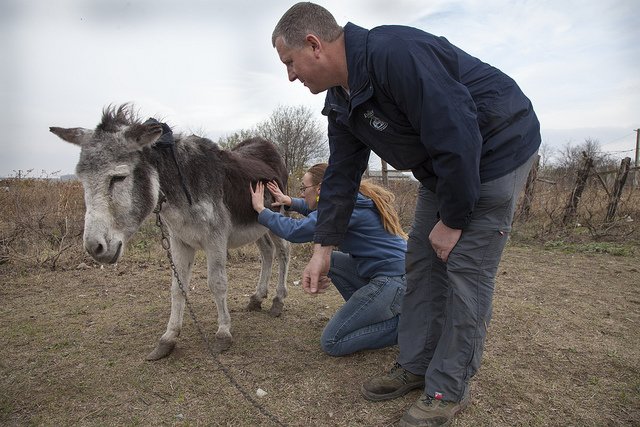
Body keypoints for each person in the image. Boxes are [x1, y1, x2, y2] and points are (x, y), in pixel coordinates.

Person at [271, 3, 541, 426]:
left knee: (464, 272)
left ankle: (447, 388)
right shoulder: (342, 101)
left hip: (495, 149)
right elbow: (341, 175)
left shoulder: (395, 53)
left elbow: (457, 131)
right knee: (421, 263)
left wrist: (452, 222)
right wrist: (323, 247)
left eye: (290, 62)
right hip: (444, 166)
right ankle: (416, 364)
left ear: (314, 44)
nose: (290, 75)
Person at [249, 163, 408, 357]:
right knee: (330, 260)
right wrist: (290, 201)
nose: (302, 192)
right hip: (389, 274)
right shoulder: (347, 201)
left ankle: (409, 328)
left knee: (332, 342)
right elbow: (323, 216)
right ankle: (369, 314)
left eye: (303, 188)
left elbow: (296, 231)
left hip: (393, 281)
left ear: (320, 188)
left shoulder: (345, 209)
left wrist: (261, 210)